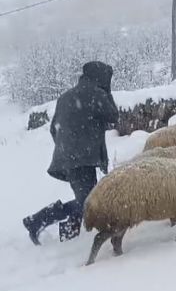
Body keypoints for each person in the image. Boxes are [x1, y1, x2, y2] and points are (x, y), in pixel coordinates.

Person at [22, 61, 119, 245]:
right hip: (83, 158)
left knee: (86, 199)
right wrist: (107, 92)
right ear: (101, 77)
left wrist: (66, 148)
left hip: (69, 156)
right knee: (88, 201)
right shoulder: (97, 93)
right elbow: (113, 116)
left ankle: (69, 238)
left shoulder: (65, 97)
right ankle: (36, 221)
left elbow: (54, 129)